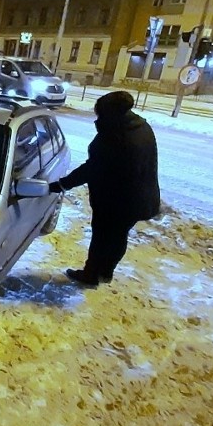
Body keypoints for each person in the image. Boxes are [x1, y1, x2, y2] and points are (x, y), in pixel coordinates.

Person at [49, 90, 160, 286]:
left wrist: (62, 184)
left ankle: (91, 275)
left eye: (100, 113)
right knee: (117, 237)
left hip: (116, 200)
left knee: (102, 237)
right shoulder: (140, 127)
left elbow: (93, 168)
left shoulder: (115, 137)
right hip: (138, 197)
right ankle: (105, 272)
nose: (98, 117)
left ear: (110, 113)